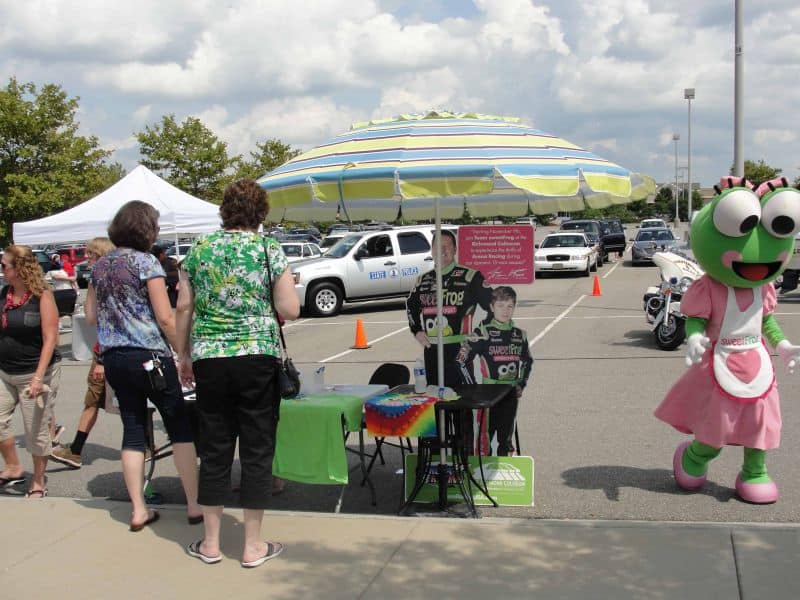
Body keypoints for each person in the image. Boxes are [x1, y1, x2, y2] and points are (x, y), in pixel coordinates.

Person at [177, 178, 299, 567]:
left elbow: (183, 307)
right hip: (257, 357)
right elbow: (291, 309)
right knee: (257, 448)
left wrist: (183, 354)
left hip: (210, 357)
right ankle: (251, 546)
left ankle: (210, 543)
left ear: (224, 210)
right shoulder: (268, 249)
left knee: (214, 448)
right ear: (260, 212)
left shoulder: (199, 249)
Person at [85, 200, 201, 530]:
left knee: (133, 431)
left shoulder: (100, 266)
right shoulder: (146, 263)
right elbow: (166, 317)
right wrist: (182, 353)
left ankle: (138, 509)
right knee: (178, 427)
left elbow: (91, 316)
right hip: (150, 355)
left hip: (114, 358)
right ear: (146, 229)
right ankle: (194, 504)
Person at [0, 245, 61, 497]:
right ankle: (13, 466)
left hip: (34, 373)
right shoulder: (5, 293)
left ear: (20, 268)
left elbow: (51, 338)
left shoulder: (42, 295)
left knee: (35, 430)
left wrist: (38, 377)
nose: (1, 270)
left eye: (4, 266)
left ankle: (38, 480)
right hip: (5, 371)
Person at [50, 237, 116, 469]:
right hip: (107, 351)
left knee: (127, 406)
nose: (86, 259)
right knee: (95, 402)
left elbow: (104, 320)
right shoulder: (107, 279)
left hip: (109, 353)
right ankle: (76, 450)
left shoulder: (105, 282)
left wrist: (103, 360)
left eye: (90, 254)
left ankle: (145, 448)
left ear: (101, 255)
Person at [406, 229, 492, 387]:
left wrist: (479, 334)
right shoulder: (422, 280)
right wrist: (416, 330)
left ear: (455, 250)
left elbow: (493, 308)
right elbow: (411, 307)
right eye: (438, 246)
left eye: (448, 246)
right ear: (432, 251)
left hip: (459, 349)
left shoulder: (470, 277)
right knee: (436, 400)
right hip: (431, 350)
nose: (443, 250)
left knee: (461, 401)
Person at [457, 286, 533, 455]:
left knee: (506, 439)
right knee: (484, 440)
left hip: (510, 392)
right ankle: (482, 474)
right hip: (488, 394)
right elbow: (461, 361)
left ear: (514, 307)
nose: (505, 311)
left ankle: (503, 475)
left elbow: (527, 361)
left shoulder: (520, 334)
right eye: (500, 306)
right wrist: (472, 388)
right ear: (492, 307)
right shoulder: (482, 332)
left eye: (509, 306)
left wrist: (521, 383)